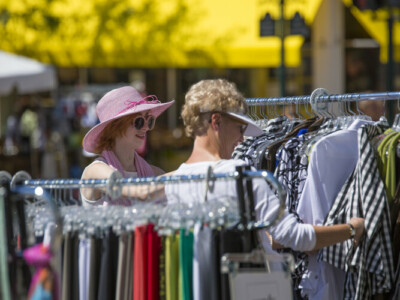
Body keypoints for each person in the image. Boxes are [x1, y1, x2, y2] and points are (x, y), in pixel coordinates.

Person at [165, 78, 365, 254]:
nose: (242, 138)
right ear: (216, 121)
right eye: (240, 128)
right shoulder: (239, 175)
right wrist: (351, 228)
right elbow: (294, 236)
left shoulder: (173, 182)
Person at [80, 86, 174, 206]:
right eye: (139, 121)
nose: (146, 127)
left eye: (149, 120)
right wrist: (186, 171)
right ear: (115, 127)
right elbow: (141, 194)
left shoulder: (154, 173)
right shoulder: (95, 171)